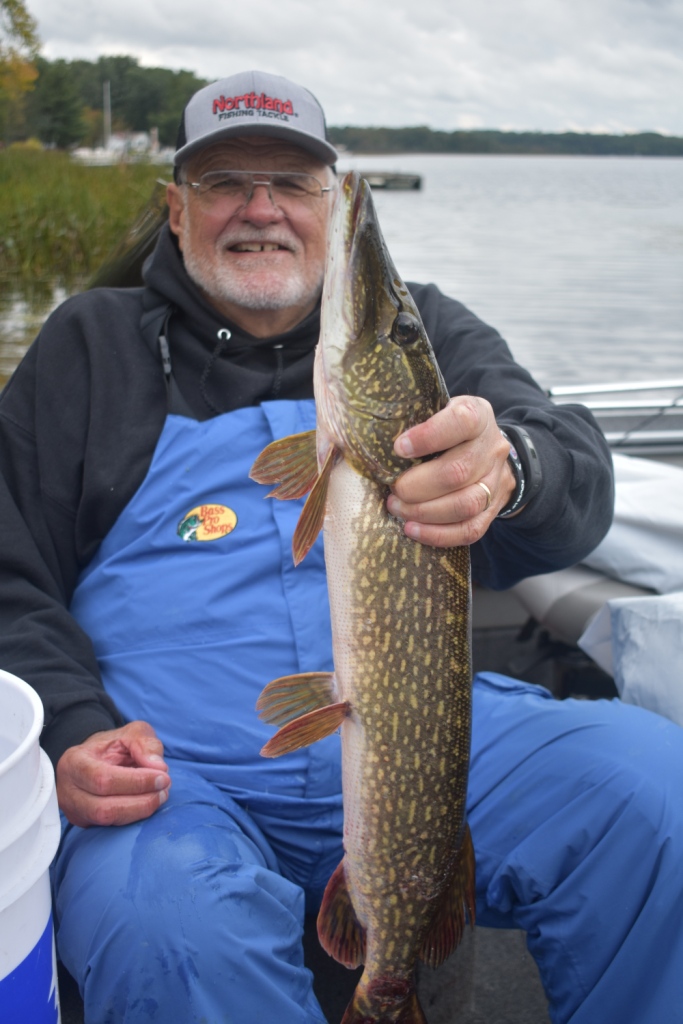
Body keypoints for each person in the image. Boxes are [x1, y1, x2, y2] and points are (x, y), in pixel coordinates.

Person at [0, 69, 681, 1024]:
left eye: (292, 183)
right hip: (180, 770)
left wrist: (511, 467)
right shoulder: (94, 344)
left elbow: (577, 478)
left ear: (327, 198)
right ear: (175, 208)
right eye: (225, 182)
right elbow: (8, 572)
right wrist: (71, 725)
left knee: (653, 792)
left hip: (424, 732)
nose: (260, 210)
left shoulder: (422, 335)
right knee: (166, 921)